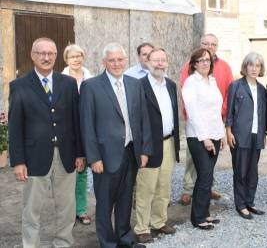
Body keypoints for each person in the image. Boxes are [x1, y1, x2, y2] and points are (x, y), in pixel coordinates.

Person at [8, 37, 84, 247]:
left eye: (50, 53)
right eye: (41, 53)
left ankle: (63, 243)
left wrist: (80, 153)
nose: (46, 57)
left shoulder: (68, 83)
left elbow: (75, 121)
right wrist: (18, 161)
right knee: (32, 209)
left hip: (66, 156)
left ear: (56, 56)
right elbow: (14, 127)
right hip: (34, 159)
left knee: (66, 208)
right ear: (32, 56)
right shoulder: (19, 85)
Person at [80, 42, 152, 248]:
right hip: (104, 156)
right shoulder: (91, 86)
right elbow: (87, 125)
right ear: (104, 62)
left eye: (120, 59)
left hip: (131, 153)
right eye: (111, 60)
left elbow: (143, 120)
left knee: (125, 201)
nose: (116, 63)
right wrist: (93, 157)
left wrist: (144, 150)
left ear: (125, 60)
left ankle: (125, 239)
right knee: (104, 205)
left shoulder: (134, 84)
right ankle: (108, 243)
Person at [179, 33, 233, 205]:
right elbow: (186, 94)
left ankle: (206, 189)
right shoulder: (190, 66)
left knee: (209, 162)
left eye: (213, 44)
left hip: (216, 120)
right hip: (197, 124)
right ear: (200, 45)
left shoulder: (223, 67)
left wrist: (222, 115)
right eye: (206, 43)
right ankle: (189, 188)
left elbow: (228, 92)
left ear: (217, 47)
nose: (210, 47)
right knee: (193, 158)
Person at [134, 48, 180, 243]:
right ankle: (142, 227)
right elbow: (136, 120)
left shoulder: (170, 84)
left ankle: (159, 221)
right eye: (155, 60)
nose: (160, 64)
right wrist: (141, 148)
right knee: (146, 188)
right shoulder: (138, 86)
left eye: (163, 60)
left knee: (164, 187)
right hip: (149, 145)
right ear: (147, 62)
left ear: (167, 62)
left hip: (168, 142)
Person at [182, 48, 226, 230]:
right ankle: (197, 218)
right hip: (198, 137)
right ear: (194, 64)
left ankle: (205, 213)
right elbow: (193, 112)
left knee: (207, 178)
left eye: (208, 60)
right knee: (204, 175)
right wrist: (205, 138)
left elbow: (215, 111)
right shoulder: (191, 83)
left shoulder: (212, 81)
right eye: (201, 60)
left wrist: (221, 133)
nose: (205, 63)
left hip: (214, 134)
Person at [226, 52, 267, 220]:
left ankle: (250, 202)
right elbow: (230, 111)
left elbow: (263, 113)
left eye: (257, 66)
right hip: (240, 135)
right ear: (245, 67)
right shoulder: (236, 86)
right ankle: (240, 205)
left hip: (256, 135)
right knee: (240, 171)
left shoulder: (263, 90)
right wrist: (228, 131)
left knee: (253, 172)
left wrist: (265, 133)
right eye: (251, 65)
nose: (254, 69)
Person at [62, 44, 93, 225]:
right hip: (67, 131)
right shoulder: (60, 79)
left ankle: (81, 210)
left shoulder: (90, 78)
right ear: (66, 60)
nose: (76, 59)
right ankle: (67, 211)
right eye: (72, 57)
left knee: (81, 172)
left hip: (85, 130)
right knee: (66, 173)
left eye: (79, 56)